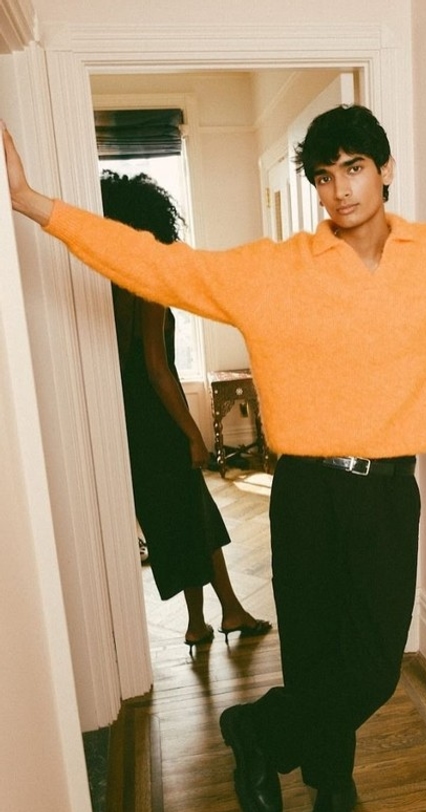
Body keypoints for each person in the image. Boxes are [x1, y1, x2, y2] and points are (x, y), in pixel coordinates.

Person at [2, 61, 426, 812]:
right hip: (305, 494)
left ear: (384, 170)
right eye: (324, 176)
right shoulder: (273, 272)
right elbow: (158, 265)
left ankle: (259, 731)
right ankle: (331, 795)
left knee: (372, 667)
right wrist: (35, 204)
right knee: (313, 653)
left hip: (389, 493)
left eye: (354, 168)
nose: (340, 190)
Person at [109, 169, 271, 654]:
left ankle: (203, 620)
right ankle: (225, 612)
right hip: (160, 419)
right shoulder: (147, 283)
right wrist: (193, 434)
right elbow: (157, 368)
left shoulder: (110, 282)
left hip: (130, 421)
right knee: (195, 519)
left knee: (174, 525)